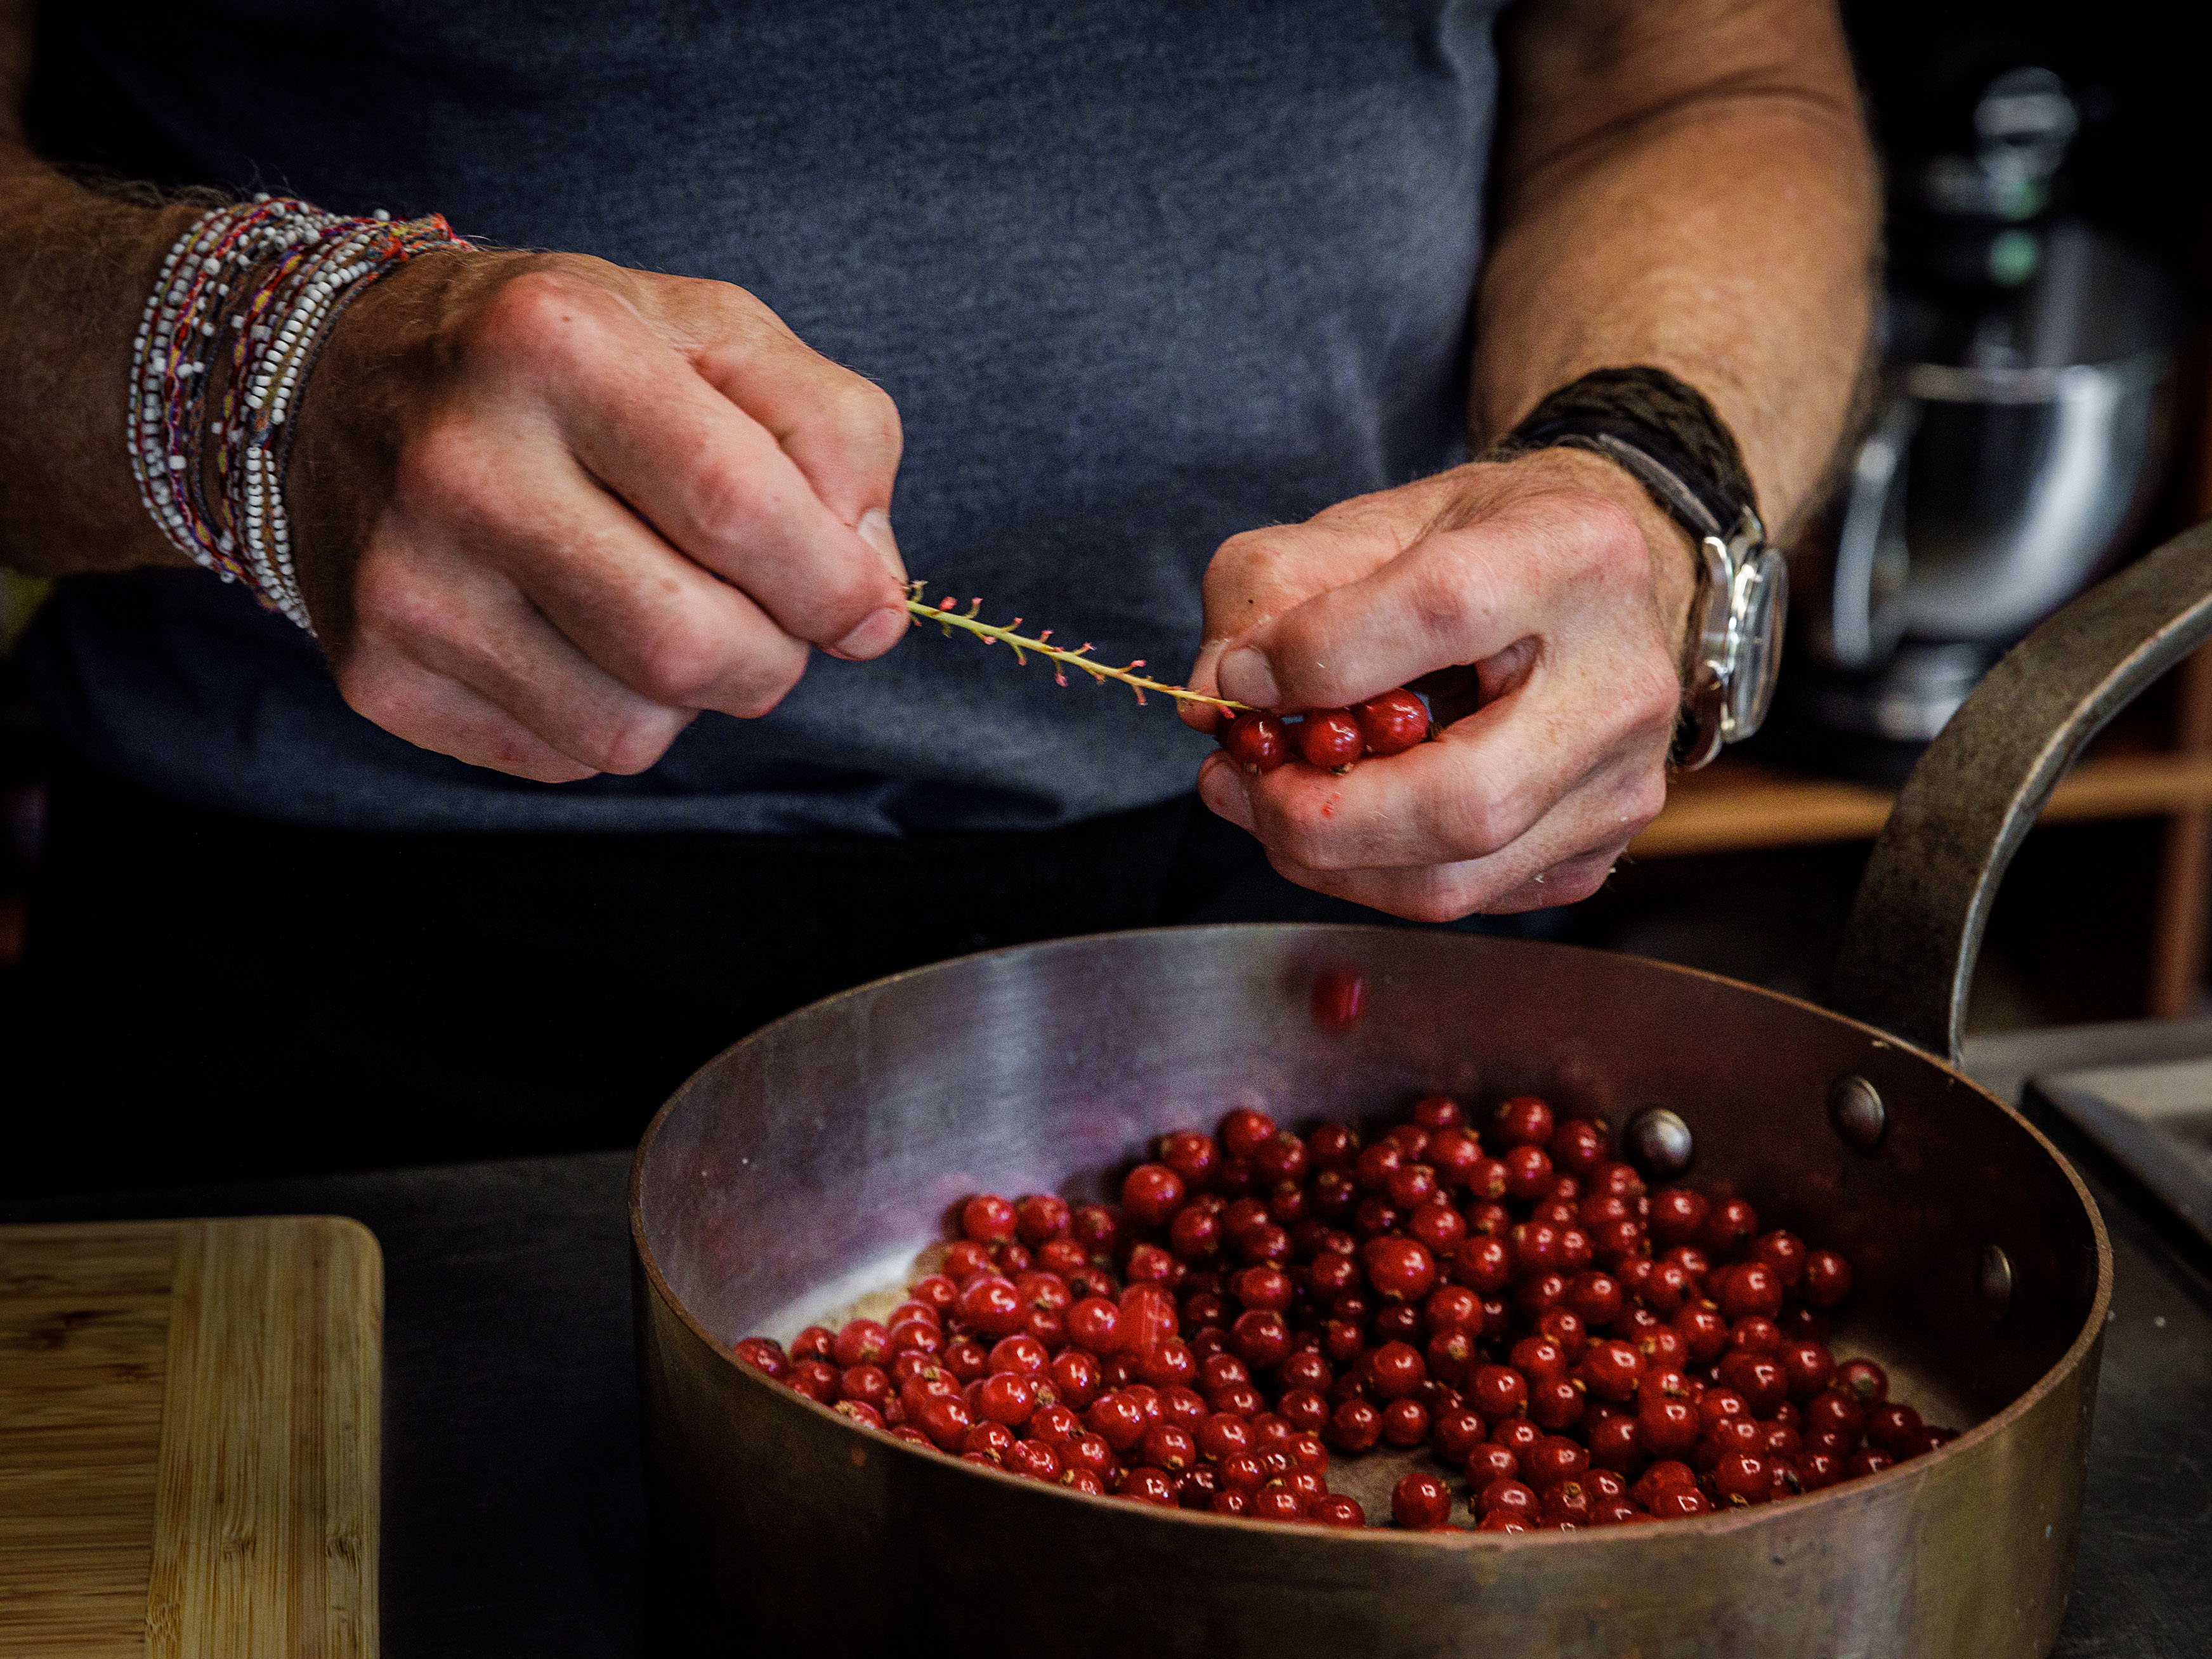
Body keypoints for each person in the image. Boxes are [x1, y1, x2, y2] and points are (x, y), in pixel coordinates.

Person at [0, 0, 1875, 1181]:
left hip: (1331, 952)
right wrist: (257, 369)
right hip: (351, 991)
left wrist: (1646, 476)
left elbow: (1700, 74)